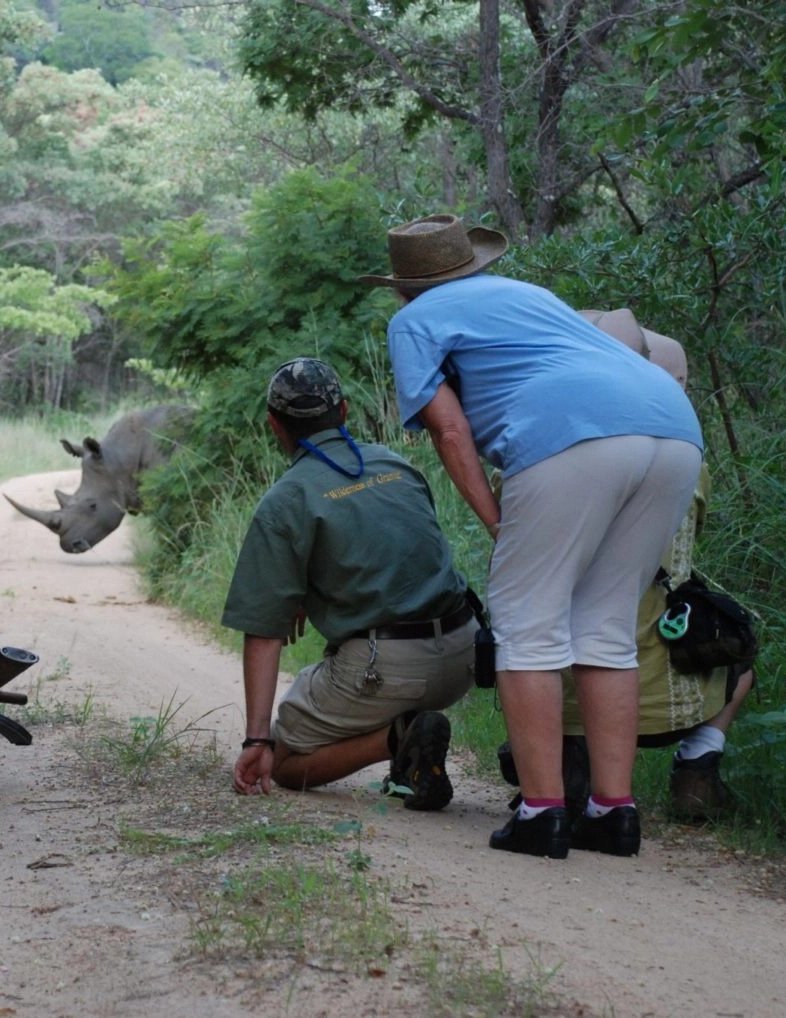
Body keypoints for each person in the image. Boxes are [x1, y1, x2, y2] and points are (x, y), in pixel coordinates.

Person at [360, 215, 704, 858]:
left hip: (571, 435)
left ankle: (542, 813)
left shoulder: (412, 321)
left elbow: (451, 432)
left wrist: (496, 519)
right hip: (674, 428)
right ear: (474, 265)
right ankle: (611, 812)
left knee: (525, 622)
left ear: (403, 287)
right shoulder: (530, 296)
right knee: (604, 625)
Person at [498, 309, 756, 823]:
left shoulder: (549, 452)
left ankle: (559, 770)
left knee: (531, 627)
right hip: (663, 682)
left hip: (559, 682)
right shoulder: (688, 459)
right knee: (741, 649)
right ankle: (697, 761)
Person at [224, 357, 478, 809]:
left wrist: (257, 740)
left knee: (285, 760)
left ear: (274, 425)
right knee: (384, 677)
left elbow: (264, 630)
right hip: (466, 654)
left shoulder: (287, 499)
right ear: (343, 411)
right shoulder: (395, 464)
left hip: (389, 669)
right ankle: (411, 742)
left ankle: (399, 737)